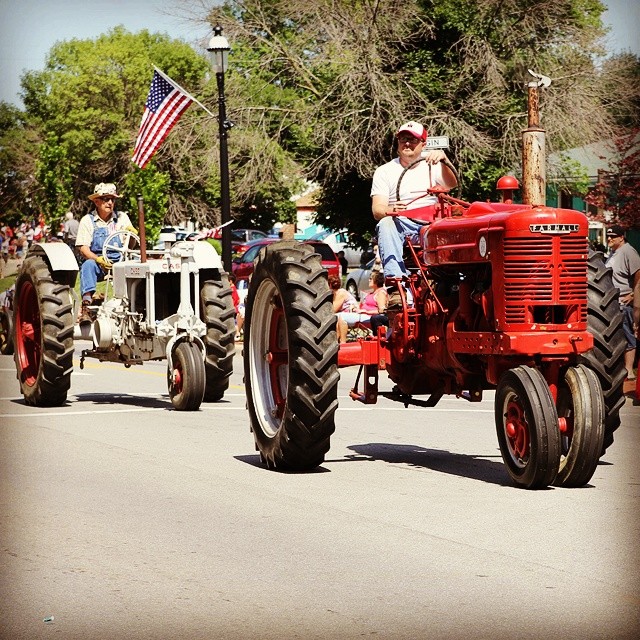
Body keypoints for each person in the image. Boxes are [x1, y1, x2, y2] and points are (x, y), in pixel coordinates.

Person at [371, 121, 457, 280]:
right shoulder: (384, 171)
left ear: (423, 144)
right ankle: (395, 283)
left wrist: (444, 160)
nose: (407, 143)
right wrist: (390, 209)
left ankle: (452, 279)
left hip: (433, 225)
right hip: (404, 225)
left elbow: (452, 183)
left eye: (413, 140)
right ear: (398, 142)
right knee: (386, 223)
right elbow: (377, 210)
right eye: (403, 139)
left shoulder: (434, 165)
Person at [76, 183, 134, 325]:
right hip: (99, 263)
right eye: (106, 199)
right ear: (96, 201)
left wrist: (132, 235)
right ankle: (87, 306)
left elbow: (130, 246)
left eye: (112, 199)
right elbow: (83, 248)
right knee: (88, 265)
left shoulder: (122, 218)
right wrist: (98, 259)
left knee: (139, 267)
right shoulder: (88, 221)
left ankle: (136, 305)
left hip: (121, 261)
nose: (110, 203)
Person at [605, 224, 640, 380]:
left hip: (623, 302)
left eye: (613, 236)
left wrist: (633, 295)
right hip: (613, 302)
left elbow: (638, 273)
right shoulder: (613, 253)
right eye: (608, 235)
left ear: (621, 237)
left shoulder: (628, 251)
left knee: (628, 336)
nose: (609, 238)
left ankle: (629, 370)